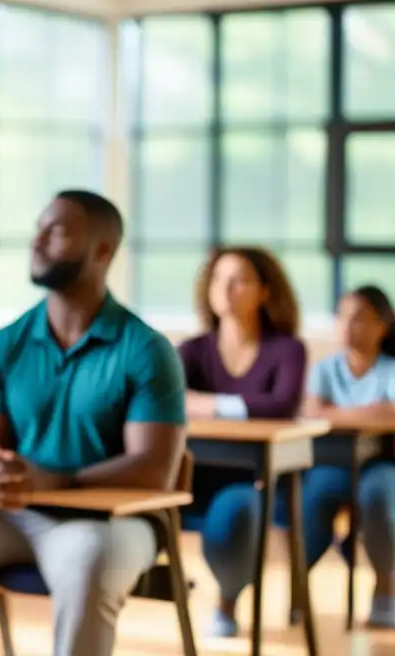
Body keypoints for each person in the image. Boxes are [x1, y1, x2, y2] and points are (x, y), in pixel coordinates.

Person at [0, 191, 187, 656]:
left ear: (102, 250)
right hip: (9, 515)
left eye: (55, 231)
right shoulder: (5, 344)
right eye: (38, 228)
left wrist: (56, 480)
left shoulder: (146, 350)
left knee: (88, 562)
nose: (36, 241)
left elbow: (154, 467)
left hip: (108, 522)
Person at [176, 246, 306, 638]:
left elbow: (281, 405)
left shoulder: (287, 349)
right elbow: (168, 399)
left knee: (235, 513)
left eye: (239, 279)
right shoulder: (192, 349)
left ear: (265, 291)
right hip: (190, 473)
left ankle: (228, 599)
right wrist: (240, 407)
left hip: (252, 476)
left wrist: (208, 404)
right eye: (218, 278)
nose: (226, 288)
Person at [302, 284, 395, 627]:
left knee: (379, 498)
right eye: (342, 317)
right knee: (313, 496)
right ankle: (300, 582)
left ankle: (386, 585)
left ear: (381, 325)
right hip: (333, 462)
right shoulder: (325, 369)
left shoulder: (389, 368)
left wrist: (334, 413)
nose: (347, 326)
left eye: (358, 319)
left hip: (381, 463)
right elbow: (312, 414)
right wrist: (373, 412)